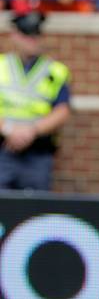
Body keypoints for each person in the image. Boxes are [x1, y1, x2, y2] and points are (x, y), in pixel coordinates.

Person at [0, 12, 71, 190]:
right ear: (14, 35)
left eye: (36, 34)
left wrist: (31, 131)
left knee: (34, 210)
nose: (32, 40)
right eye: (26, 34)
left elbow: (62, 111)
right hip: (3, 149)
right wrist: (8, 129)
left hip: (38, 153)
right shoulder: (2, 65)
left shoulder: (56, 71)